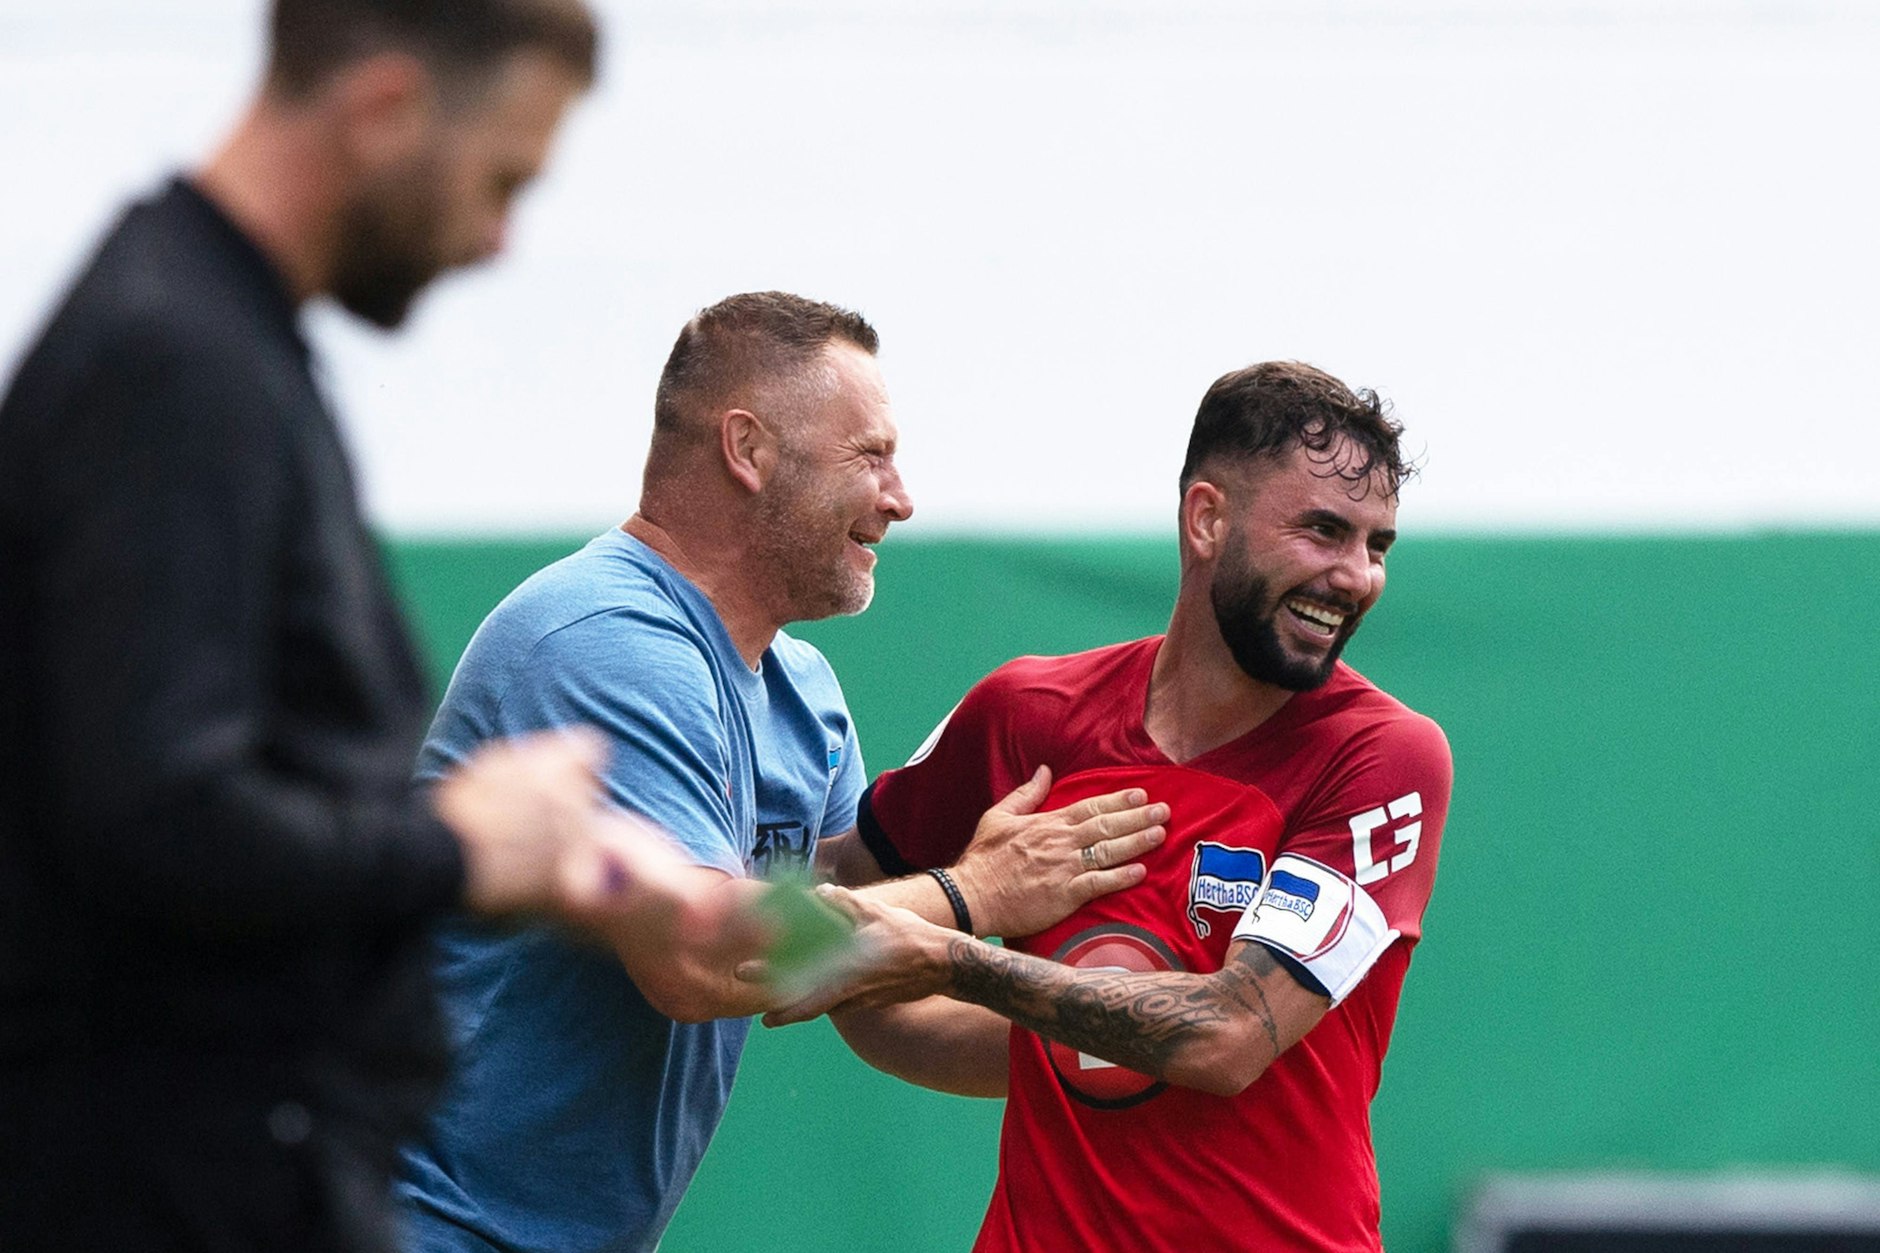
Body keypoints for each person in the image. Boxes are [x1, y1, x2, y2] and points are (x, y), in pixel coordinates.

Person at [0, 3, 721, 1250]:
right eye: (500, 179)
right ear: (384, 109)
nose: (496, 240)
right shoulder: (171, 361)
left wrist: (546, 852)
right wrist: (453, 846)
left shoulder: (225, 344)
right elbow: (155, 816)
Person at [394, 291, 1168, 1253]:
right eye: (871, 455)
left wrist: (1121, 1038)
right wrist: (976, 888)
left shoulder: (803, 689)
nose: (901, 496)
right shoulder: (610, 641)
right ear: (748, 450)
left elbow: (849, 980)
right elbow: (701, 954)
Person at [778, 361, 1455, 1252]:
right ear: (1207, 519)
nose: (1357, 576)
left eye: (1378, 546)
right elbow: (826, 918)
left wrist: (957, 956)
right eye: (1325, 531)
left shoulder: (1384, 756)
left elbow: (1227, 1036)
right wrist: (968, 906)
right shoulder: (1025, 715)